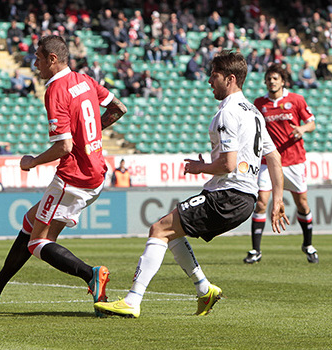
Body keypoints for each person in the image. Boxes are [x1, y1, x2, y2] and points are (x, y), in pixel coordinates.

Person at [94, 50, 289, 318]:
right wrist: (278, 198)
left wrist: (201, 168)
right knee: (172, 231)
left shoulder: (229, 113)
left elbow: (228, 164)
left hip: (228, 195)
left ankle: (132, 300)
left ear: (230, 78)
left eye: (215, 75)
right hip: (243, 197)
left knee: (158, 229)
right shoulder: (253, 112)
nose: (210, 80)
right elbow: (274, 157)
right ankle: (204, 289)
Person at [0, 35, 128, 316]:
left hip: (73, 177)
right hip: (96, 172)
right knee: (31, 221)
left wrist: (32, 162)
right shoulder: (84, 79)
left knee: (38, 242)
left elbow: (64, 146)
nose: (35, 64)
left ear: (52, 59)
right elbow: (119, 108)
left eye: (38, 58)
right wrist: (90, 136)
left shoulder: (55, 90)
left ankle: (92, 273)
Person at [244, 63, 318, 264]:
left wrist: (302, 130)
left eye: (275, 78)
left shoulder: (296, 100)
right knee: (261, 202)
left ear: (283, 81)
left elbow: (311, 122)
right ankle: (255, 250)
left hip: (294, 160)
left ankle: (308, 244)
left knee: (302, 204)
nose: (271, 81)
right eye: (269, 78)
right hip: (268, 161)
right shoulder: (259, 104)